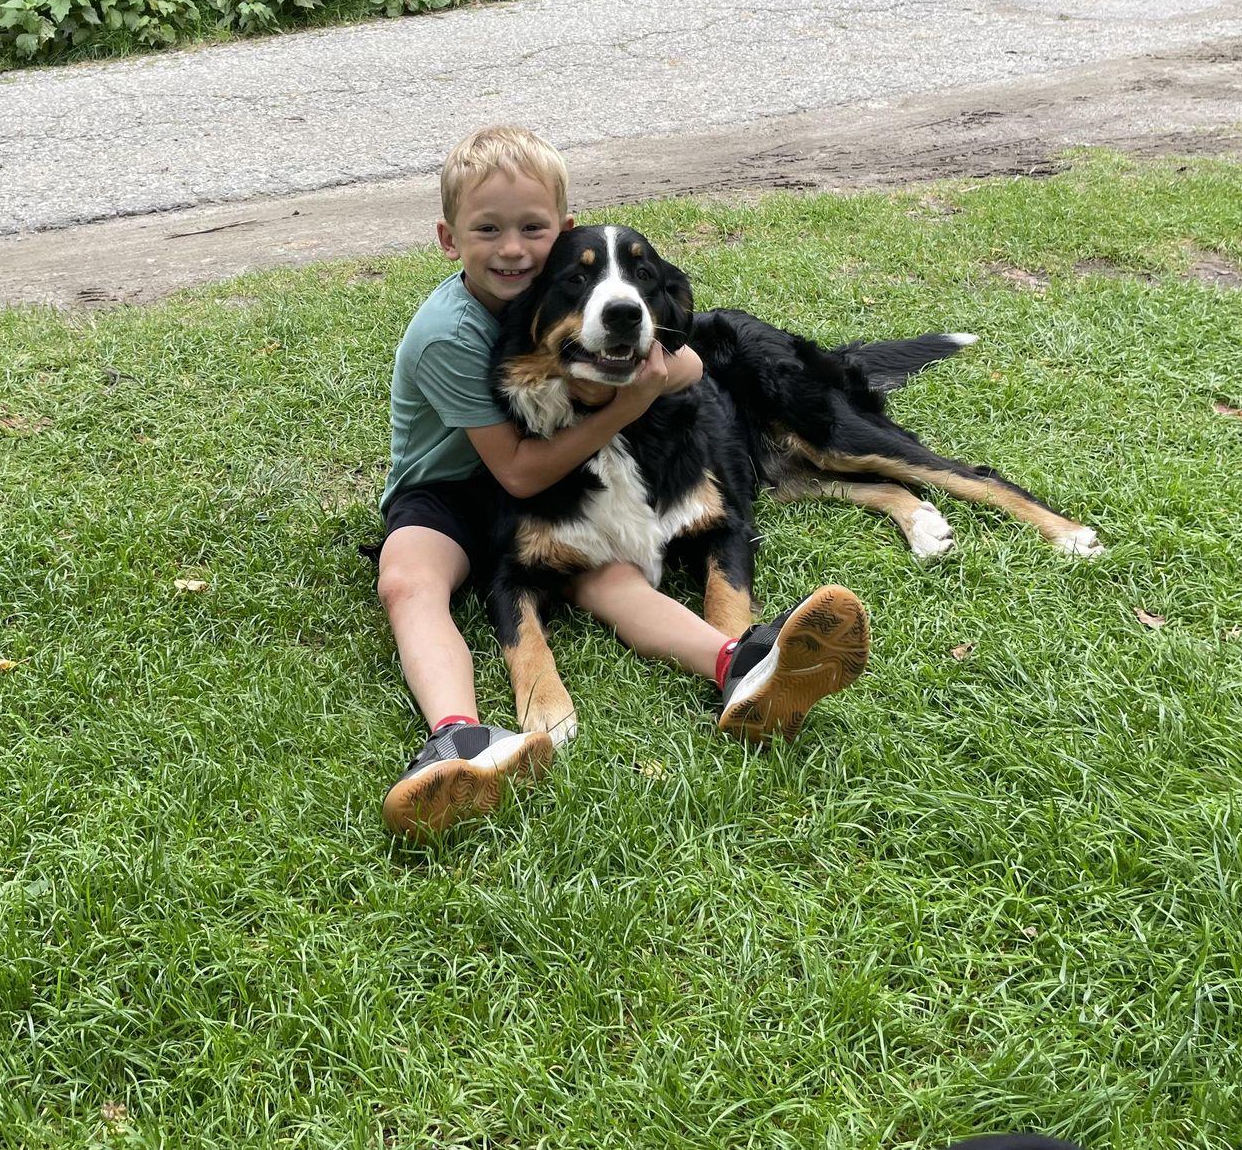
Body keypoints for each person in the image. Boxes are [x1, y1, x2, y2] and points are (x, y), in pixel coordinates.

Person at [371, 126, 872, 838]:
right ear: (450, 240)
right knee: (407, 584)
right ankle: (458, 738)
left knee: (614, 579)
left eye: (531, 229)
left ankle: (739, 664)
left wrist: (658, 368)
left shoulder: (565, 288)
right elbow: (515, 470)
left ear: (562, 231)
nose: (512, 248)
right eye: (488, 230)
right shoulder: (447, 332)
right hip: (451, 492)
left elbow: (686, 365)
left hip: (552, 483)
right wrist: (630, 402)